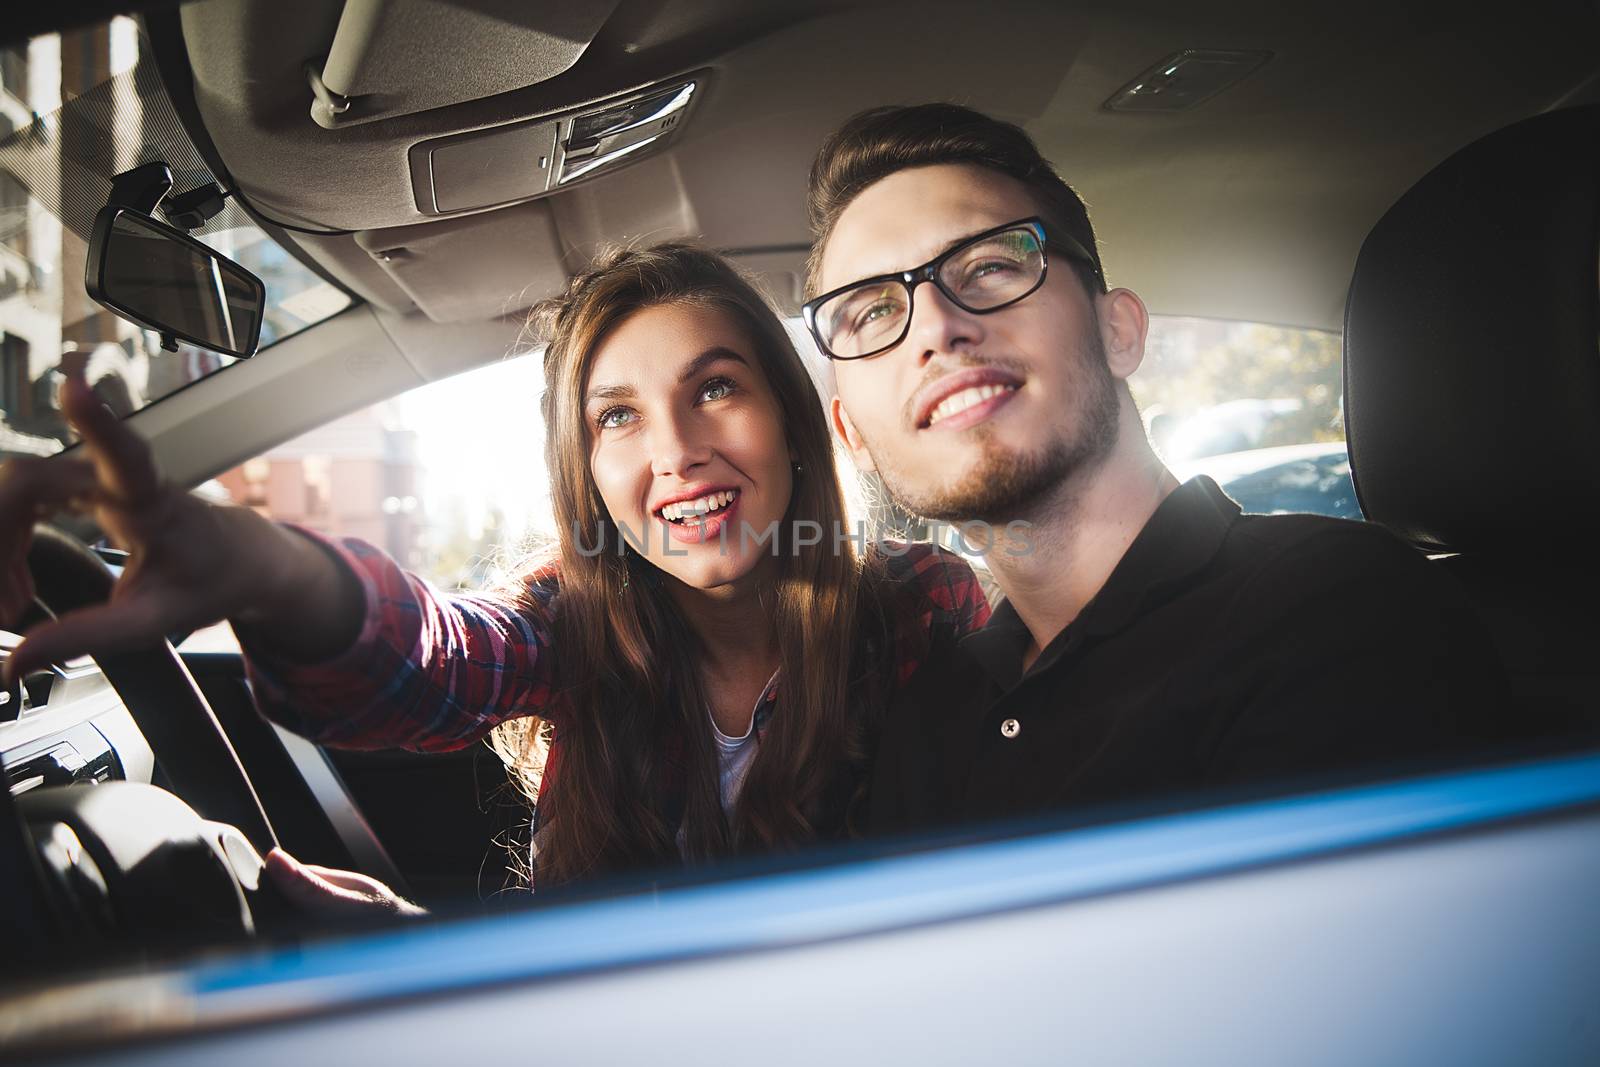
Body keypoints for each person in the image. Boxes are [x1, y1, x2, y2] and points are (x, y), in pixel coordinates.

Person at [0, 243, 988, 898]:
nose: (677, 449)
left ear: (793, 425)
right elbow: (430, 659)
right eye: (618, 416)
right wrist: (267, 566)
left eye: (716, 387)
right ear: (589, 476)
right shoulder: (573, 617)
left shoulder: (920, 605)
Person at [799, 103, 1510, 834]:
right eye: (873, 312)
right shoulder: (927, 715)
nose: (938, 327)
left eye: (989, 265)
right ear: (851, 434)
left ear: (1119, 331)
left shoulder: (1339, 612)